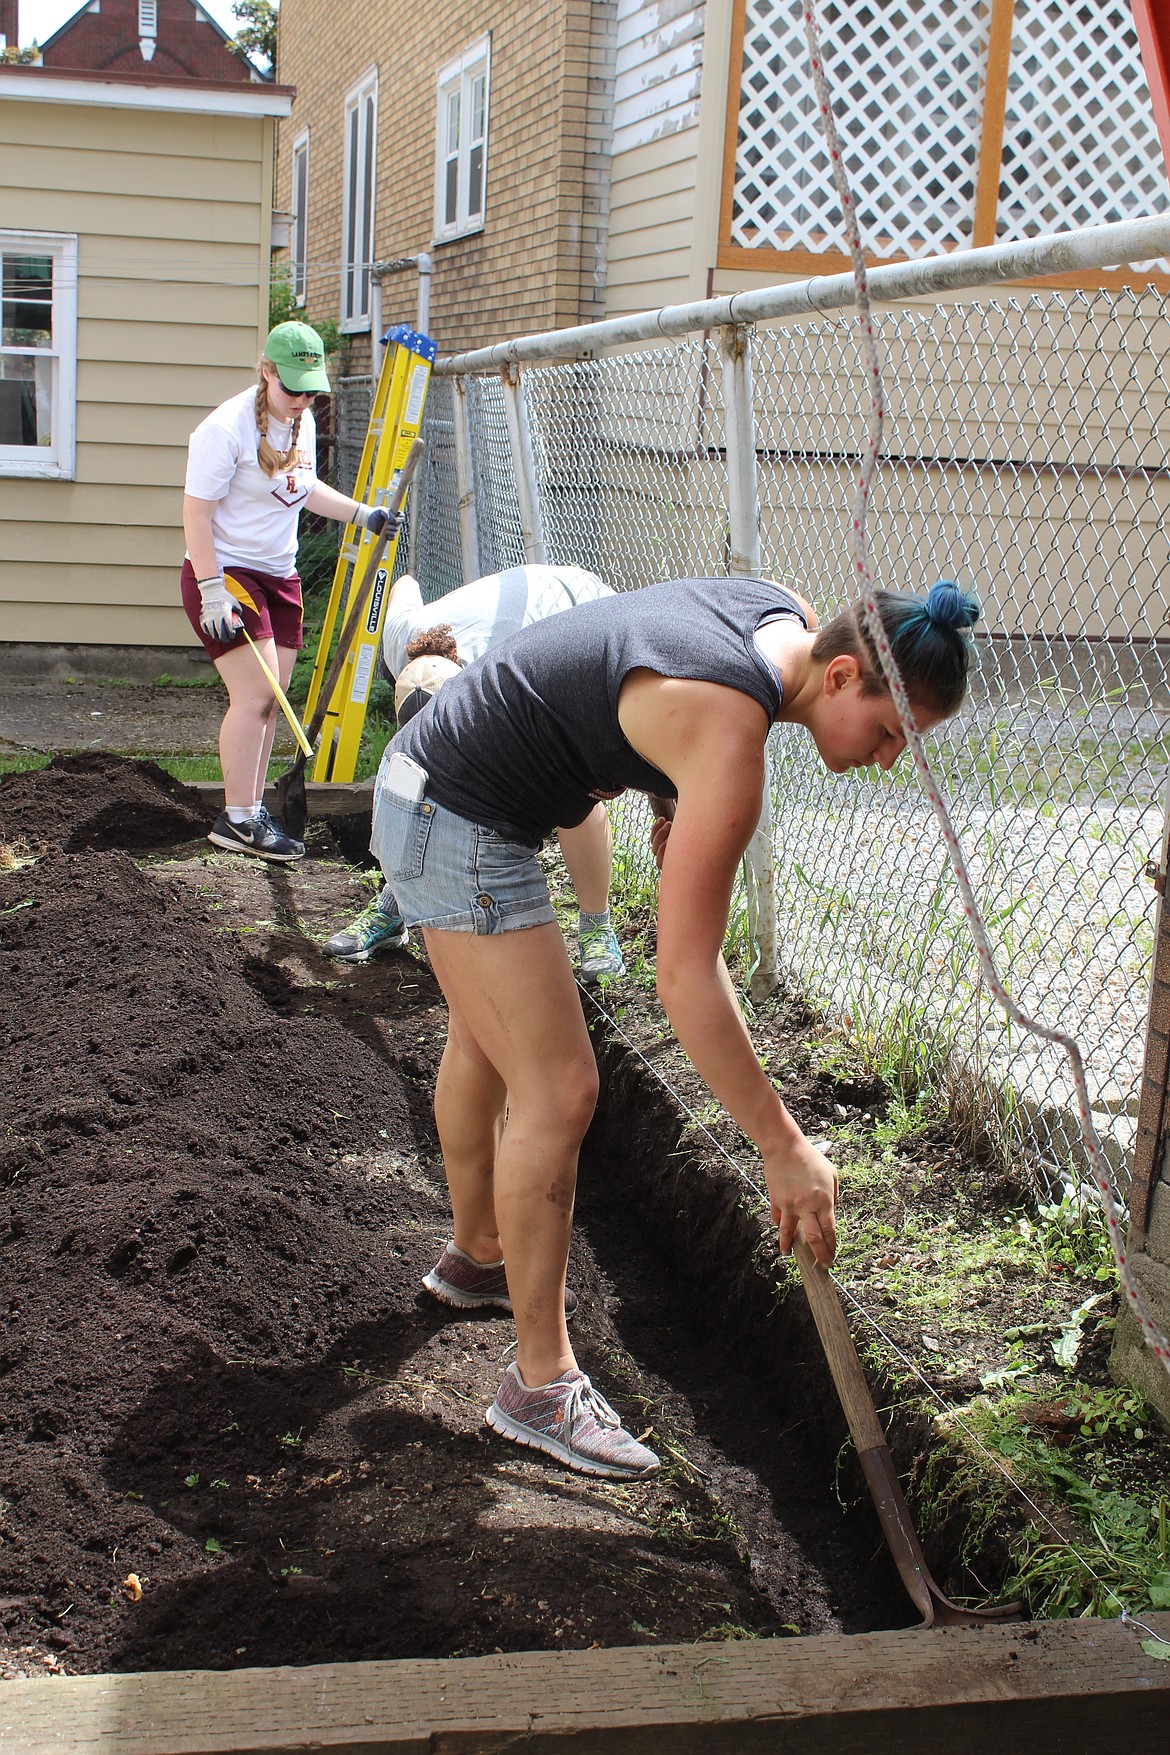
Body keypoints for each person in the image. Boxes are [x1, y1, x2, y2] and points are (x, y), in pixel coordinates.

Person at [371, 573, 981, 1480]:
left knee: (487, 1038)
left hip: (434, 772)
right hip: (455, 815)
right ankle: (538, 1386)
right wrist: (780, 1143)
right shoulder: (732, 741)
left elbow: (646, 656)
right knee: (560, 1088)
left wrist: (665, 801)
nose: (889, 759)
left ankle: (477, 1258)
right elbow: (686, 975)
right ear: (844, 674)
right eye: (892, 733)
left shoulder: (782, 613)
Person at [323, 564, 627, 980]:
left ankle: (597, 929)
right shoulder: (402, 641)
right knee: (410, 782)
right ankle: (394, 907)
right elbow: (405, 583)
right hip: (509, 626)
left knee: (575, 789)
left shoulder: (516, 679)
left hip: (580, 617)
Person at [181, 321, 398, 863]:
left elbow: (303, 490)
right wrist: (212, 591)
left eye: (309, 390)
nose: (301, 400)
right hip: (226, 576)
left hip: (280, 576)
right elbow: (196, 515)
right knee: (255, 698)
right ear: (267, 371)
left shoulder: (297, 426)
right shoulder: (224, 430)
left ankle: (249, 808)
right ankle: (238, 819)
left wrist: (363, 514)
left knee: (270, 704)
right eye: (292, 387)